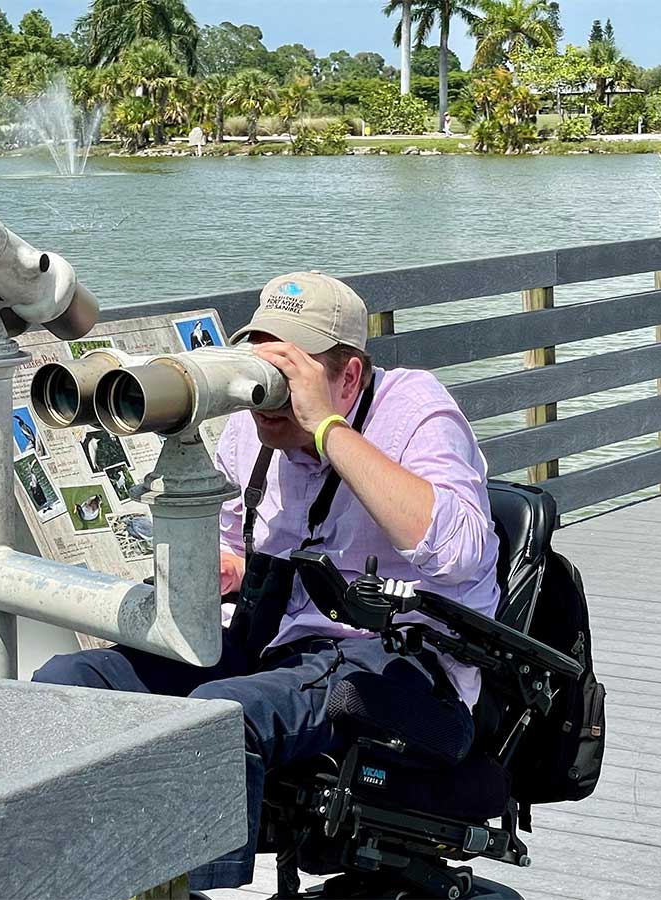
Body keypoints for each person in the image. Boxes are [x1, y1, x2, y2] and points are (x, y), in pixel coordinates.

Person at [32, 271, 500, 891]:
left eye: (291, 375)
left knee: (220, 716)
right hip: (272, 639)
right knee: (71, 682)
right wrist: (219, 567)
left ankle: (188, 886)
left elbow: (460, 550)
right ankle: (78, 871)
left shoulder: (415, 410)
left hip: (398, 668)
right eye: (263, 370)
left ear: (349, 377)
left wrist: (328, 428)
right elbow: (231, 547)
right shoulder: (254, 435)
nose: (268, 398)